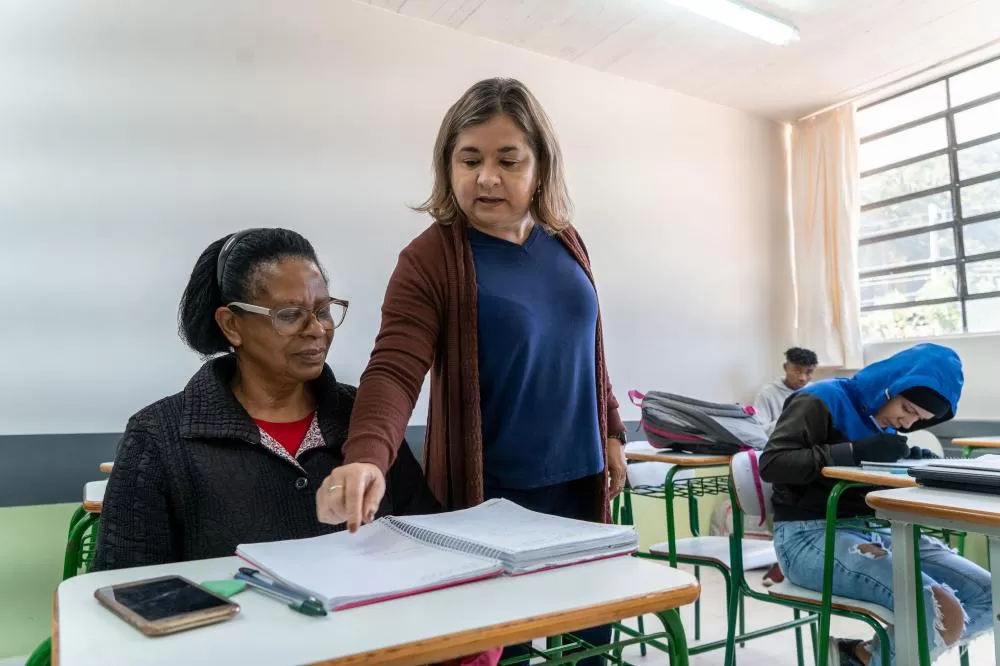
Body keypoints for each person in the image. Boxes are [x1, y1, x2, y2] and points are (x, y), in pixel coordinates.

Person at [315, 78, 627, 665]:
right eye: (470, 159)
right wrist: (365, 456)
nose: (487, 177)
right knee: (501, 648)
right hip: (493, 498)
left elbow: (591, 348)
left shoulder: (567, 242)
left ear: (540, 168)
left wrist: (612, 430)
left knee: (587, 646)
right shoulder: (431, 258)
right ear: (447, 164)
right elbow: (394, 367)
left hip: (578, 486)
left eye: (509, 160)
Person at [92, 228, 442, 571]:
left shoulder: (363, 420)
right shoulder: (158, 437)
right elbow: (122, 590)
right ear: (231, 325)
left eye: (323, 310)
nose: (317, 329)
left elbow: (429, 544)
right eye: (290, 315)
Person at [759, 343, 992, 665]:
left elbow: (868, 469)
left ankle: (861, 657)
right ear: (892, 385)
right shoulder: (820, 398)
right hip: (808, 535)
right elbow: (773, 464)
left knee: (990, 595)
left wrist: (908, 461)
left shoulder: (885, 421)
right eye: (908, 410)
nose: (907, 424)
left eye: (919, 420)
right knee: (935, 609)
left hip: (877, 530)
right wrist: (852, 451)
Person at [754, 347, 818, 435]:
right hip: (782, 443)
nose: (802, 378)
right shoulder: (767, 393)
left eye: (809, 372)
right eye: (797, 371)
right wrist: (790, 420)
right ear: (785, 367)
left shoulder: (816, 391)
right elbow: (759, 431)